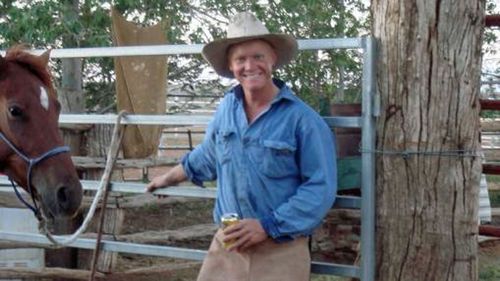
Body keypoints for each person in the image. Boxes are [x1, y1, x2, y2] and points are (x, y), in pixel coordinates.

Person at [146, 11, 337, 281]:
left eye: (258, 56)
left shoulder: (303, 120)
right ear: (231, 66)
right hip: (228, 244)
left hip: (281, 250)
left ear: (273, 60)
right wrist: (168, 178)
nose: (250, 65)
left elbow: (320, 187)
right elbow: (209, 154)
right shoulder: (226, 109)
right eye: (241, 59)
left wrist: (268, 226)